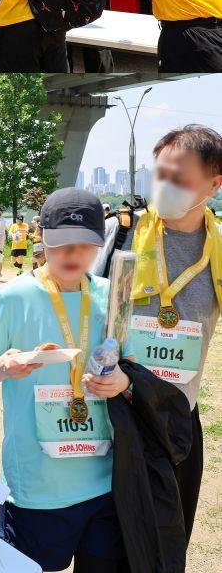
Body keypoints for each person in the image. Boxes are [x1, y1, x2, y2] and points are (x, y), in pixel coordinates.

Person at [0, 188, 129, 572]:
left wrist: (122, 381)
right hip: (36, 486)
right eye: (61, 245)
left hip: (104, 480)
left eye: (83, 245)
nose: (72, 254)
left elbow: (132, 366)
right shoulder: (13, 297)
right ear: (42, 237)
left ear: (98, 244)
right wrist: (3, 367)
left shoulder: (113, 296)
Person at [121, 126, 222, 541]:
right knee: (112, 547)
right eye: (158, 175)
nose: (163, 187)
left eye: (178, 179)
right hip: (119, 414)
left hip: (178, 417)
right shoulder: (124, 232)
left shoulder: (218, 248)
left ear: (214, 185)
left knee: (166, 543)